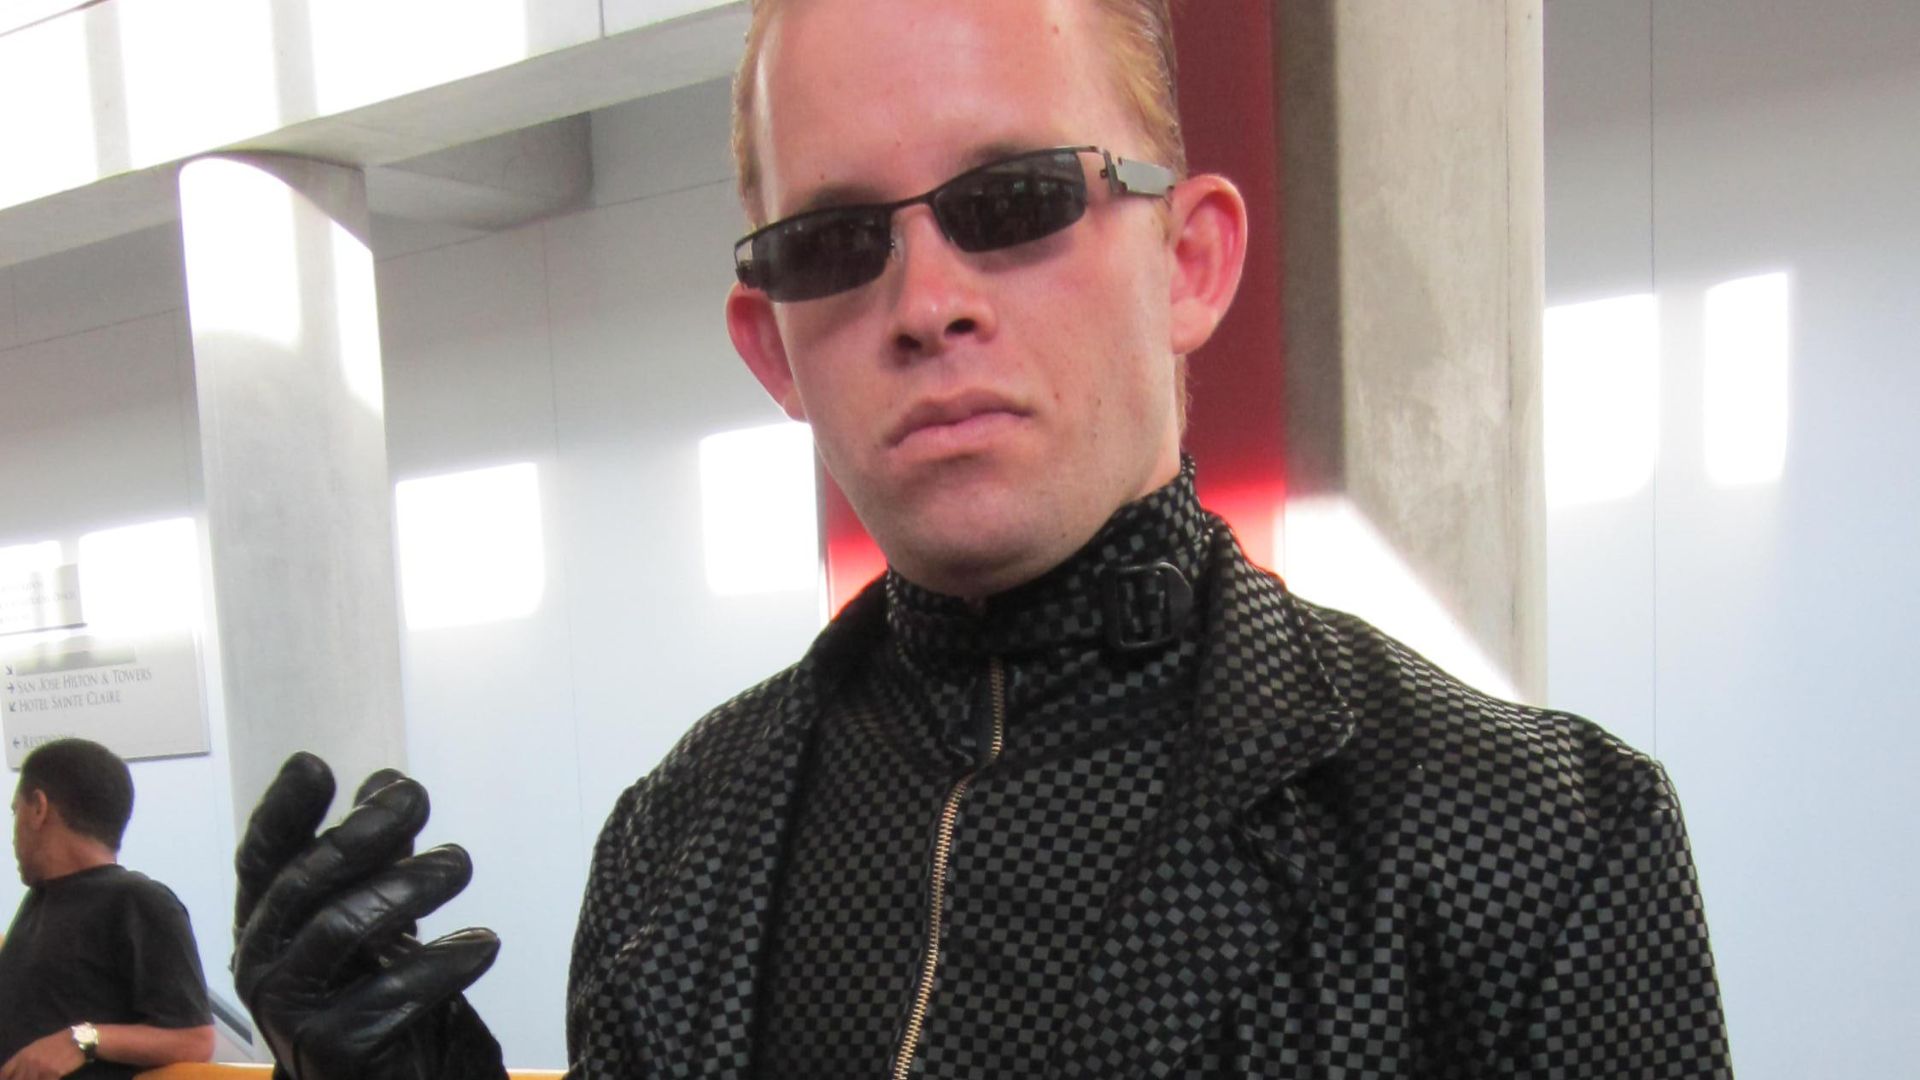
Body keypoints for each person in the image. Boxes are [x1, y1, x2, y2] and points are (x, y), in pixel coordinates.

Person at [230, 0, 1735, 1077]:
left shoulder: (1529, 839)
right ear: (775, 349)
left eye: (1012, 199)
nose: (928, 299)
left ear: (1190, 261)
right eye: (837, 241)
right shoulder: (674, 848)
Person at [1, 739, 215, 1080]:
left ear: (39, 808)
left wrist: (82, 1040)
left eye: (15, 811)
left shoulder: (139, 901)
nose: (12, 835)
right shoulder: (38, 903)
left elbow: (195, 1039)